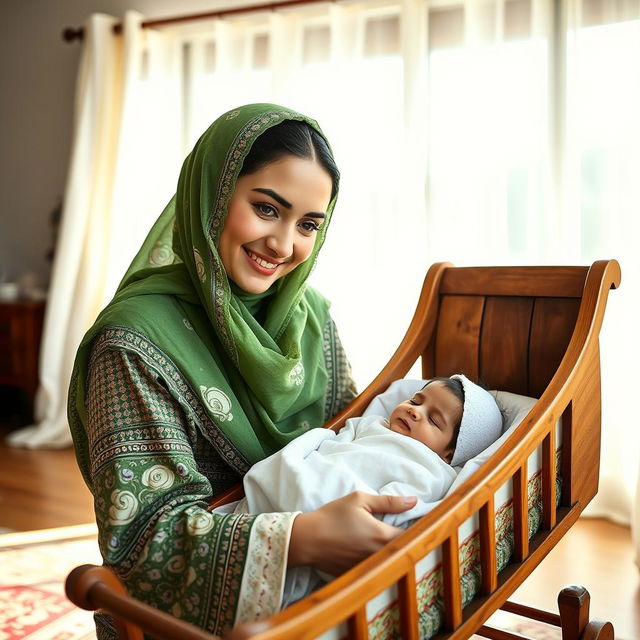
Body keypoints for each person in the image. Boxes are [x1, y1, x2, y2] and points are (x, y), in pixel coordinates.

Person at [67, 103, 420, 639]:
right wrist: (300, 537)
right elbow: (142, 541)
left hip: (334, 595)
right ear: (211, 194)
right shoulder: (134, 341)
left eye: (307, 225)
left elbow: (351, 436)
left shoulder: (310, 318)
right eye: (266, 208)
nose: (282, 246)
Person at [229, 374, 503, 606]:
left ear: (449, 453)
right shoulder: (369, 424)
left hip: (344, 511)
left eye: (433, 420)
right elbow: (332, 443)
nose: (414, 411)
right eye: (416, 400)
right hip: (313, 478)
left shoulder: (431, 469)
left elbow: (401, 506)